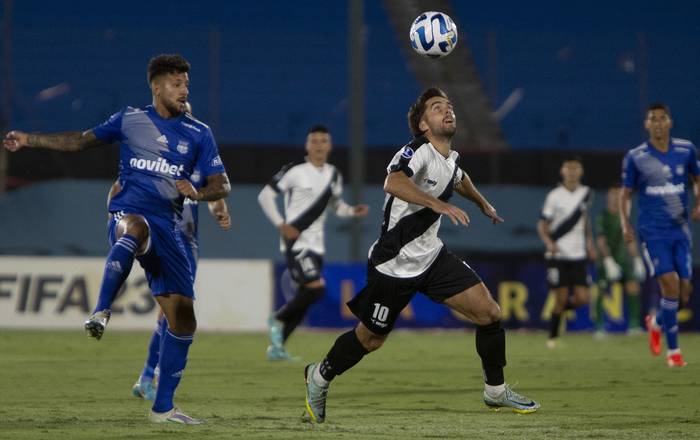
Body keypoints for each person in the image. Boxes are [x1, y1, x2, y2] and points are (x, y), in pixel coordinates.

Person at [3, 54, 230, 423]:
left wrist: (202, 194)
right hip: (128, 213)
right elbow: (79, 141)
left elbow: (221, 183)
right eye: (176, 83)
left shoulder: (199, 133)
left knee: (183, 318)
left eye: (186, 83)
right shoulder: (129, 119)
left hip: (171, 227)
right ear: (156, 86)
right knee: (134, 228)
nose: (184, 90)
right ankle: (102, 310)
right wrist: (29, 139)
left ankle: (163, 409)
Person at [301, 87, 539, 424]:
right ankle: (319, 377)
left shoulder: (449, 159)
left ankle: (495, 391)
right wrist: (438, 204)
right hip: (393, 264)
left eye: (449, 105)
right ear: (424, 124)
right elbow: (392, 182)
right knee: (370, 339)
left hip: (432, 258)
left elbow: (459, 178)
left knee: (489, 313)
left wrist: (482, 202)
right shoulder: (416, 151)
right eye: (437, 107)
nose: (448, 111)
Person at [115, 102, 232, 400]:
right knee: (170, 312)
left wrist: (219, 209)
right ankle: (149, 378)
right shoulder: (156, 157)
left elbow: (214, 190)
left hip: (188, 244)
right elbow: (124, 185)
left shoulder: (197, 156)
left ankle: (147, 378)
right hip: (166, 238)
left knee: (168, 314)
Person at [258, 125, 369, 360]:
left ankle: (277, 348)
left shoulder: (334, 175)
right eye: (314, 141)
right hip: (297, 242)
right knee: (316, 288)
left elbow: (336, 205)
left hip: (317, 245)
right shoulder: (295, 172)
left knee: (307, 296)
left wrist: (351, 211)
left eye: (323, 141)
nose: (319, 145)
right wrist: (281, 224)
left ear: (330, 146)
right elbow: (265, 196)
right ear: (307, 146)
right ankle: (277, 318)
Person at [620, 102, 700, 368]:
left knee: (684, 291)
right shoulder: (637, 156)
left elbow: (696, 178)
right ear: (646, 124)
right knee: (670, 284)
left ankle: (655, 323)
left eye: (661, 118)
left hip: (680, 230)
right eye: (652, 119)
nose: (657, 122)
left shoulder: (686, 150)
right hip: (653, 233)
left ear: (670, 122)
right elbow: (625, 193)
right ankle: (673, 353)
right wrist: (625, 224)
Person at [537, 157, 596, 348]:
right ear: (562, 171)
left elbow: (585, 221)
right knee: (560, 298)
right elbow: (542, 224)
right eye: (568, 168)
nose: (572, 171)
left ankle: (558, 313)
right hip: (558, 255)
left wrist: (590, 243)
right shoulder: (555, 195)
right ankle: (553, 337)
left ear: (581, 172)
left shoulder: (587, 193)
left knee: (583, 298)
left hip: (578, 255)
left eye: (576, 168)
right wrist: (548, 242)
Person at [593, 185, 646, 337]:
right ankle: (598, 327)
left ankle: (634, 326)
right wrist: (608, 260)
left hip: (624, 260)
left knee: (633, 288)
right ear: (608, 198)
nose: (615, 198)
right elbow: (601, 240)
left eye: (618, 195)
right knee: (602, 290)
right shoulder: (602, 216)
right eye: (613, 195)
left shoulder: (625, 217)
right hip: (606, 261)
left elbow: (630, 240)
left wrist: (637, 259)